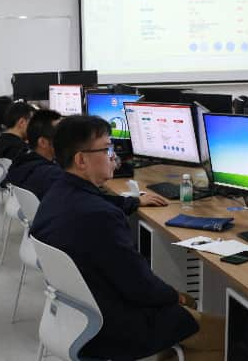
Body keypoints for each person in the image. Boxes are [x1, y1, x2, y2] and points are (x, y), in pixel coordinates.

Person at [30, 116, 223, 361]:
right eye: (106, 149)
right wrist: (177, 296)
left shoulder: (57, 195)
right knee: (232, 338)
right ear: (81, 160)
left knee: (187, 317)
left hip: (77, 316)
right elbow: (140, 287)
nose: (114, 156)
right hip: (117, 326)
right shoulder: (100, 216)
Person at [8, 110, 169, 210]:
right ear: (43, 142)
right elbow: (95, 203)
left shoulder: (27, 163)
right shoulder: (51, 176)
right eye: (106, 149)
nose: (65, 138)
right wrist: (133, 202)